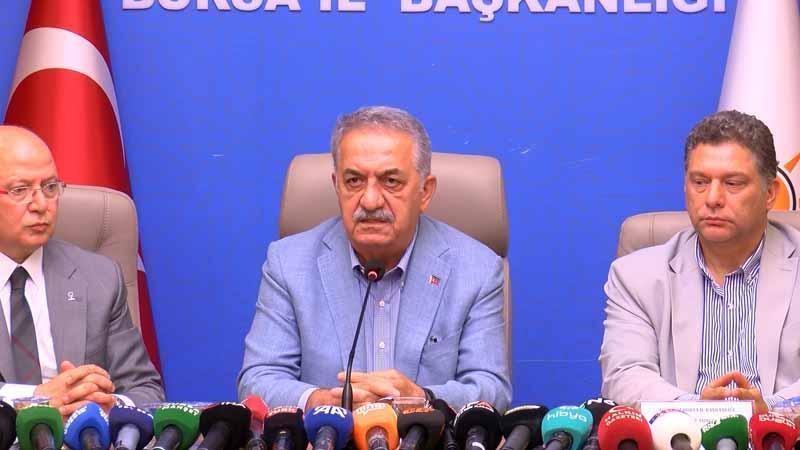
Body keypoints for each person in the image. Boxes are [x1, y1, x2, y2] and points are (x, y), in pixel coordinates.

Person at [238, 106, 511, 411]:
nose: (369, 201)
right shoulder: (288, 264)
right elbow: (257, 380)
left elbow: (492, 389)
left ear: (425, 191)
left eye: (391, 181)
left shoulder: (477, 270)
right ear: (336, 185)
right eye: (354, 181)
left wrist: (422, 399)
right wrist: (321, 401)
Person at [600, 110, 800, 413]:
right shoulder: (635, 277)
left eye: (733, 183)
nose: (712, 198)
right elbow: (625, 375)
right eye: (700, 182)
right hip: (679, 433)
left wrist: (771, 410)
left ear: (770, 193)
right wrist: (697, 409)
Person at [0, 126, 164, 415]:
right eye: (20, 190)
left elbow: (146, 390)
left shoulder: (98, 278)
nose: (41, 205)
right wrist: (35, 399)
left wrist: (110, 406)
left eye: (50, 187)